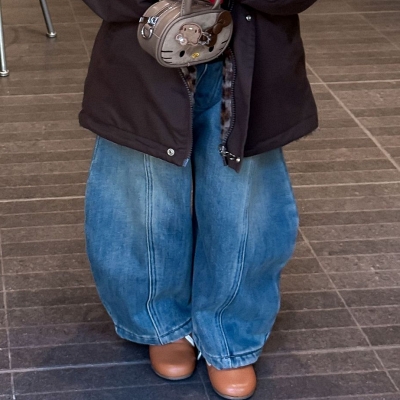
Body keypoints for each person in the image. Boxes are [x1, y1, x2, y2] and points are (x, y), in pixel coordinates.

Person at [80, 0, 318, 398]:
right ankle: (159, 321)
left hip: (252, 53)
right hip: (144, 50)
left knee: (242, 208)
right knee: (142, 199)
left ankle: (230, 331)